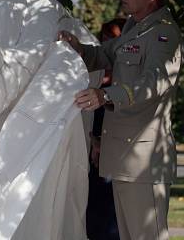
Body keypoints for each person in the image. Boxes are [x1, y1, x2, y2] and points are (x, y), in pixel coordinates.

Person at [59, 0, 184, 240]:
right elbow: (104, 54)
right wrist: (79, 48)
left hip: (144, 160)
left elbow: (154, 83)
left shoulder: (164, 35)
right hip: (125, 157)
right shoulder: (134, 28)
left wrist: (105, 96)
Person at [85, 18, 125, 240]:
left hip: (114, 156)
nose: (108, 43)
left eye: (113, 39)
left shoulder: (124, 83)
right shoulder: (95, 78)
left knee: (111, 220)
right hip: (93, 159)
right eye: (105, 39)